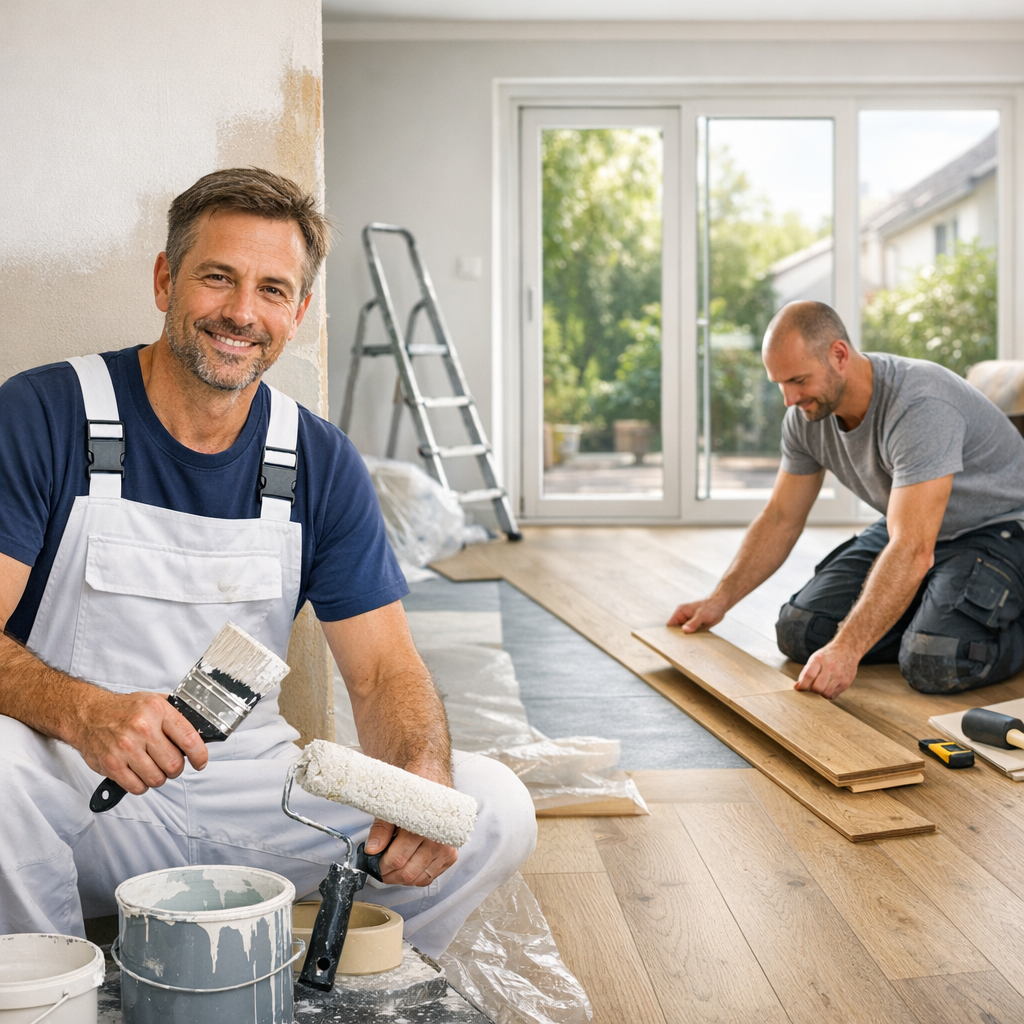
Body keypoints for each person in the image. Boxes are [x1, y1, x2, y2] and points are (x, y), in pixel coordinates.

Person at [0, 168, 535, 953]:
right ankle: (56, 996)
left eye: (272, 290)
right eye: (218, 278)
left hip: (254, 794)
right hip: (81, 790)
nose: (242, 313)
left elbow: (386, 673)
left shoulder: (317, 459)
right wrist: (87, 714)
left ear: (299, 311)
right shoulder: (45, 413)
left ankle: (340, 980)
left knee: (491, 805)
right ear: (165, 280)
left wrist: (423, 776)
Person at [670, 300, 1024, 700]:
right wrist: (719, 600)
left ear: (839, 354)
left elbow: (912, 548)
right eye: (780, 384)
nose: (789, 399)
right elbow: (781, 518)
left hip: (998, 531)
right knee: (800, 630)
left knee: (936, 659)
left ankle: (963, 623)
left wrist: (848, 648)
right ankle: (932, 614)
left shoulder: (920, 403)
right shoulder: (806, 418)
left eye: (798, 380)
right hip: (911, 527)